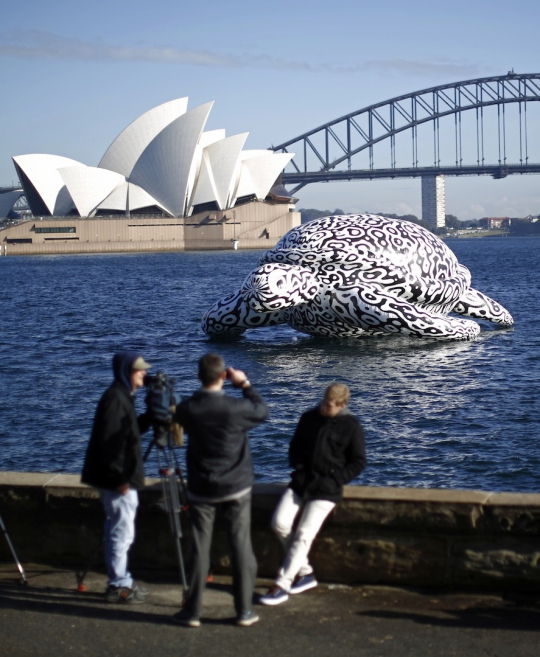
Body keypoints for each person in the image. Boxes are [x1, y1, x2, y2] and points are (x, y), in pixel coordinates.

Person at [172, 353, 268, 628]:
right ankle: (244, 611)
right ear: (223, 376)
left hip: (202, 486)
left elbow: (173, 417)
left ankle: (192, 612)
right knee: (240, 546)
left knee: (200, 548)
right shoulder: (235, 408)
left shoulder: (188, 409)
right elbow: (262, 410)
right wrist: (246, 383)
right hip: (236, 486)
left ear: (199, 376)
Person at [260, 383, 366, 606]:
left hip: (327, 489)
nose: (324, 408)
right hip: (302, 481)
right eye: (323, 403)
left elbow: (358, 461)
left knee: (304, 534)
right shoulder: (308, 417)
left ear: (342, 405)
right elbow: (295, 446)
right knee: (279, 523)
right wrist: (298, 467)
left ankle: (283, 583)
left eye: (329, 406)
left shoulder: (351, 426)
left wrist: (337, 478)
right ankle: (306, 572)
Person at [81, 351, 152, 604]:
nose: (144, 372)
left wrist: (149, 417)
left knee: (118, 529)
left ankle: (122, 580)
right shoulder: (115, 399)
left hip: (115, 478)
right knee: (121, 533)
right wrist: (120, 479)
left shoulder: (121, 396)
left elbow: (130, 431)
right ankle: (118, 584)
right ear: (125, 372)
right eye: (138, 369)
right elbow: (109, 443)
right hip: (117, 481)